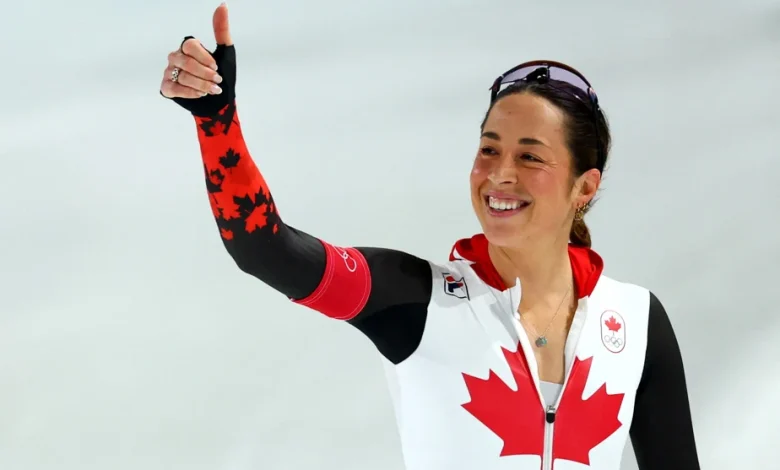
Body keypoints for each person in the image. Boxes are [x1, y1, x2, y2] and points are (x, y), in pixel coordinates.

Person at [159, 5, 700, 470]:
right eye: (489, 148)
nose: (499, 173)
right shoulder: (417, 300)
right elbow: (264, 248)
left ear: (585, 186)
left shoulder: (635, 324)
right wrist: (216, 121)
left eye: (530, 156)